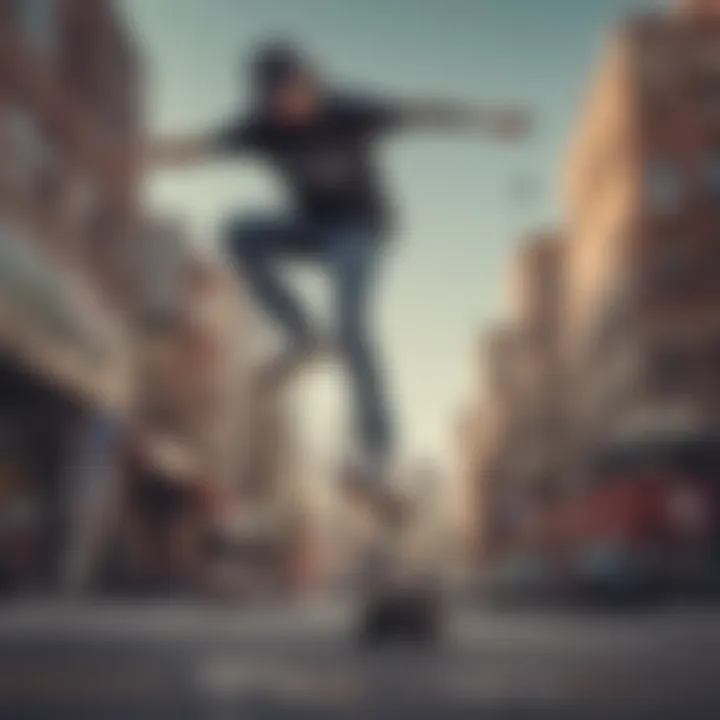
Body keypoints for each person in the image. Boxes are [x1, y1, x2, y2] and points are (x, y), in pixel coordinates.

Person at [141, 41, 531, 507]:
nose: (289, 110)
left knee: (350, 324)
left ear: (309, 83)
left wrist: (487, 120)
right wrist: (147, 153)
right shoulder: (261, 128)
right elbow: (202, 147)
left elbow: (424, 113)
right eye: (277, 103)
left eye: (296, 95)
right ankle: (301, 334)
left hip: (361, 233)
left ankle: (376, 450)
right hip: (310, 229)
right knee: (238, 232)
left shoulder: (350, 110)